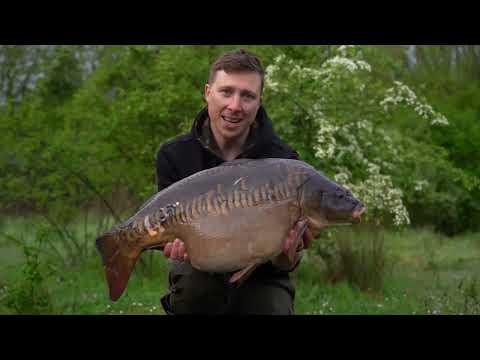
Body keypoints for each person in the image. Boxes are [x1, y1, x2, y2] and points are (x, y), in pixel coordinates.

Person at [155, 48, 313, 315]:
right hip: (199, 268)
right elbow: (164, 228)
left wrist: (287, 256)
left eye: (247, 96)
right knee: (195, 289)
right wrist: (171, 244)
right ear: (208, 93)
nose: (235, 106)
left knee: (272, 306)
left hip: (262, 276)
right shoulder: (174, 155)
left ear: (259, 101)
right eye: (226, 92)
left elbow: (286, 263)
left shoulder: (284, 161)